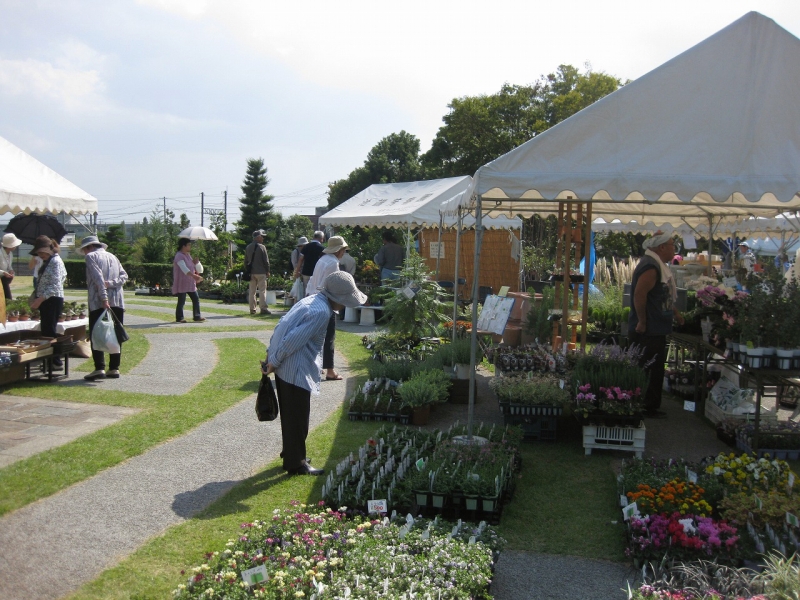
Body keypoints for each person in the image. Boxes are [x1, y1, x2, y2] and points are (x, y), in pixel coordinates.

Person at [264, 271, 367, 476]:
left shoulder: (312, 300)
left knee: (291, 417)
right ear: (338, 298)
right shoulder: (321, 312)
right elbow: (294, 338)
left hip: (286, 366)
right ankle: (296, 463)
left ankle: (292, 453)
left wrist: (271, 357)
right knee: (298, 419)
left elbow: (282, 325)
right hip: (295, 368)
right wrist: (274, 361)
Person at [628, 231, 685, 419]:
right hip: (649, 329)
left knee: (655, 366)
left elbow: (662, 295)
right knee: (648, 367)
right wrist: (642, 321)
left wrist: (675, 313)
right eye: (671, 245)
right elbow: (639, 295)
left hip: (656, 327)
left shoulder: (656, 265)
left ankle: (649, 404)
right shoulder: (651, 267)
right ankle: (645, 405)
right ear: (661, 247)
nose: (674, 249)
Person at [80, 236, 128, 381]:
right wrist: (112, 283)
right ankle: (114, 367)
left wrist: (104, 297)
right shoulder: (113, 256)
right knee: (115, 333)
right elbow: (124, 276)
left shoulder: (91, 257)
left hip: (98, 301)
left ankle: (99, 367)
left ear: (88, 247)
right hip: (118, 300)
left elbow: (98, 279)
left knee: (97, 333)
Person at [306, 236, 349, 380]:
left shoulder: (322, 260)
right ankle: (330, 370)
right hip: (325, 301)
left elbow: (313, 280)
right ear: (339, 250)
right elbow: (331, 285)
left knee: (317, 335)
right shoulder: (332, 263)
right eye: (343, 250)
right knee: (329, 336)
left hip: (314, 298)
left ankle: (316, 366)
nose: (344, 252)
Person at [28, 236, 67, 368]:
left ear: (49, 250)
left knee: (49, 331)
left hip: (52, 299)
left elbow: (56, 284)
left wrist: (40, 299)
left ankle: (54, 361)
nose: (40, 255)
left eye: (41, 252)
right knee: (47, 330)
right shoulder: (49, 261)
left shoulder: (55, 261)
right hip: (48, 299)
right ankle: (51, 360)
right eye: (38, 253)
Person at [172, 238, 205, 323]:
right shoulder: (179, 256)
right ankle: (179, 318)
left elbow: (194, 267)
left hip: (190, 282)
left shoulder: (188, 255)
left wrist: (195, 262)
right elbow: (184, 269)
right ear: (184, 246)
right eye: (189, 245)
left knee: (195, 299)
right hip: (182, 282)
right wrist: (195, 276)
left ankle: (197, 316)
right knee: (181, 301)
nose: (190, 246)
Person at [245, 229, 271, 315]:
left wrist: (247, 270)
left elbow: (245, 261)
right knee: (262, 291)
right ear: (258, 237)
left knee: (252, 292)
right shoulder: (262, 247)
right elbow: (266, 261)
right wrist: (267, 271)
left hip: (252, 272)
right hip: (261, 272)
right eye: (262, 237)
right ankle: (263, 308)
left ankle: (252, 309)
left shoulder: (248, 247)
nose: (263, 238)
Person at [0, 233, 22, 300]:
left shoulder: (10, 254)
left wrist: (11, 271)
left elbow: (9, 266)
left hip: (5, 280)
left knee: (8, 299)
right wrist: (3, 272)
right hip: (1, 280)